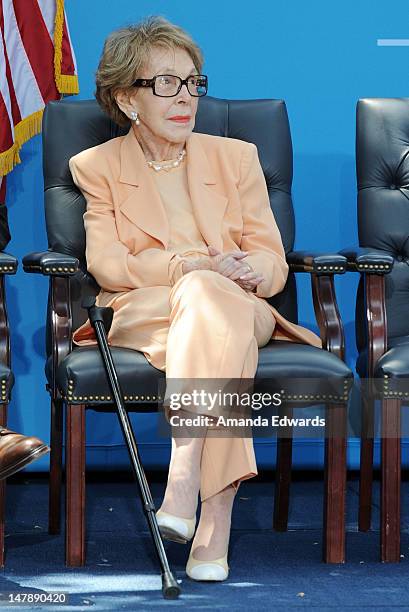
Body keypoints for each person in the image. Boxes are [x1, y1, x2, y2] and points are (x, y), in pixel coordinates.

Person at [69, 16, 322, 581]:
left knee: (213, 298)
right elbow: (107, 264)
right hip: (147, 310)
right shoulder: (97, 168)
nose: (185, 98)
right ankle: (215, 521)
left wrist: (237, 270)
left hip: (238, 303)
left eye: (192, 83)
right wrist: (196, 265)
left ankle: (184, 467)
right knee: (208, 300)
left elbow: (271, 262)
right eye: (165, 84)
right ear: (126, 99)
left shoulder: (236, 158)